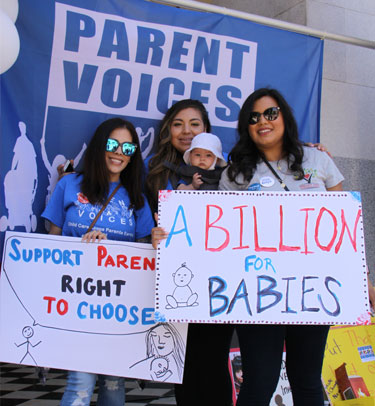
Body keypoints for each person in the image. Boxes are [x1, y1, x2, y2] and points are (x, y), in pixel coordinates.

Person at [219, 87, 345, 406]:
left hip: (312, 288)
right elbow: (218, 237)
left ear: (284, 117)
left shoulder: (318, 159)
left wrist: (364, 281)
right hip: (259, 290)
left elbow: (344, 229)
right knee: (259, 383)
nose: (263, 121)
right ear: (246, 126)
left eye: (271, 113)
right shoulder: (235, 174)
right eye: (254, 117)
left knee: (306, 381)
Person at [42, 117, 154, 406]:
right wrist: (83, 246)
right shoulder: (68, 184)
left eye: (127, 147)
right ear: (98, 146)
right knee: (80, 382)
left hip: (118, 307)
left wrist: (154, 240)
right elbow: (49, 242)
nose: (119, 152)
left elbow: (145, 254)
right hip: (77, 302)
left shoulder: (138, 198)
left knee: (115, 384)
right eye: (112, 144)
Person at [147, 99, 235, 406]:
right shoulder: (155, 174)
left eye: (194, 124)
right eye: (178, 124)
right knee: (181, 364)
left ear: (206, 131)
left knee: (213, 361)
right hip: (173, 283)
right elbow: (143, 225)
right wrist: (152, 235)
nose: (186, 131)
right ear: (168, 130)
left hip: (218, 283)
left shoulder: (229, 172)